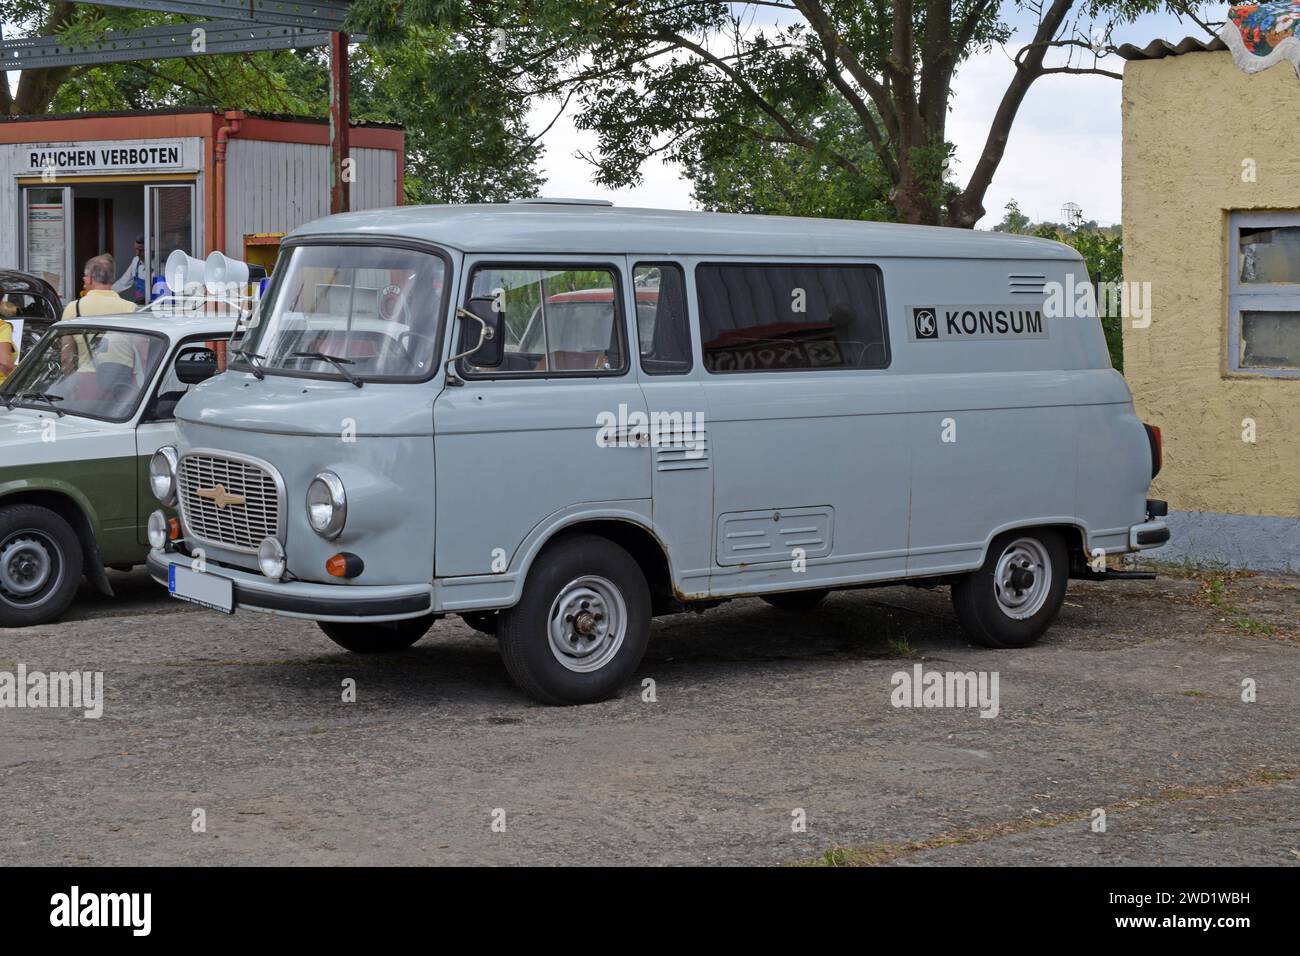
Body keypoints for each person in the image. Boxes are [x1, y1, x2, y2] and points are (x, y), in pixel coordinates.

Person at [61, 255, 137, 394]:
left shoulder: (74, 308)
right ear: (113, 279)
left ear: (89, 278)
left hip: (86, 383)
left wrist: (70, 384)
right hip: (122, 385)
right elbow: (141, 354)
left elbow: (66, 358)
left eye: (85, 276)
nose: (84, 279)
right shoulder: (130, 308)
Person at [112, 235, 148, 304]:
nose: (137, 254)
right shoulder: (135, 261)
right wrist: (105, 292)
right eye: (136, 249)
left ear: (149, 249)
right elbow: (123, 283)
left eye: (141, 250)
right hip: (139, 305)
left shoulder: (158, 266)